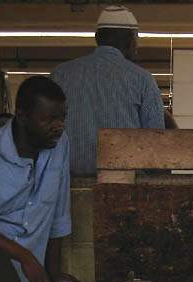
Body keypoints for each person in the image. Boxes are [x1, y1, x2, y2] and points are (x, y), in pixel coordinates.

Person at [0, 76, 76, 282]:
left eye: (62, 118)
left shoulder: (60, 145)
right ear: (23, 116)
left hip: (34, 278)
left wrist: (53, 273)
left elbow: (58, 214)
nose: (59, 126)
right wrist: (24, 256)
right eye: (50, 119)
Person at [51, 5, 164, 176]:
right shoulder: (143, 80)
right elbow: (155, 144)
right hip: (124, 187)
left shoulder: (60, 75)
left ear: (97, 38)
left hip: (66, 185)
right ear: (131, 40)